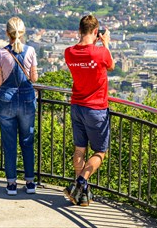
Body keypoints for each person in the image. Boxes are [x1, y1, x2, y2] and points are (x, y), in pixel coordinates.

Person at [63, 15, 115, 206]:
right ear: (96, 32)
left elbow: (81, 52)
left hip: (77, 106)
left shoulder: (69, 52)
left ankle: (81, 195)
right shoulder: (100, 53)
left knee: (80, 149)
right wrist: (106, 43)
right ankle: (82, 180)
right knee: (100, 151)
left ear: (79, 30)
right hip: (96, 108)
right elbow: (111, 66)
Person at [0, 17, 38, 195]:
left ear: (7, 33)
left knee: (9, 142)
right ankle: (30, 182)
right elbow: (34, 78)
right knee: (27, 141)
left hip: (7, 100)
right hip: (27, 99)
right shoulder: (31, 51)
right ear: (23, 32)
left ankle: (11, 183)